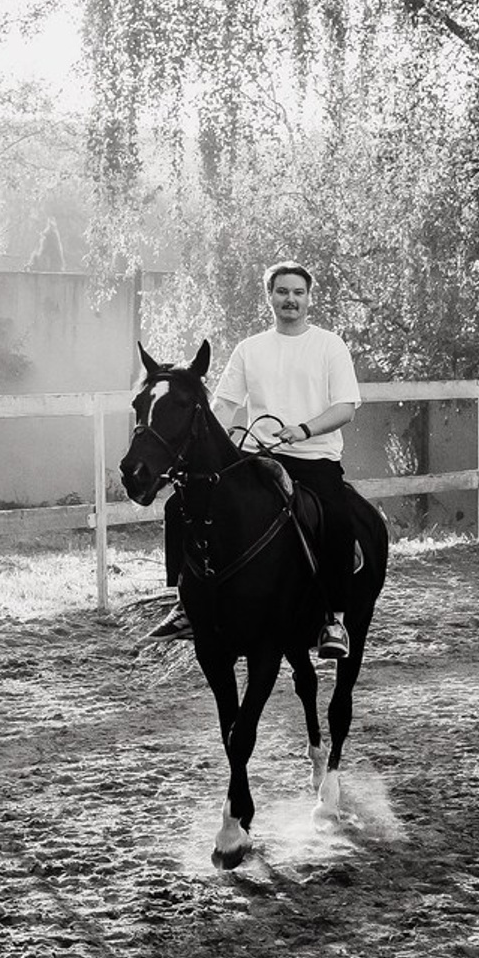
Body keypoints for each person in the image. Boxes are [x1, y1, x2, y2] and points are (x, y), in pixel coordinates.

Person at [148, 260, 361, 660]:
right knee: (181, 504)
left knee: (336, 518)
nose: (290, 300)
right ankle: (184, 605)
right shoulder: (250, 349)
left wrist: (304, 429)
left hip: (313, 456)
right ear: (270, 297)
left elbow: (345, 408)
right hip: (257, 456)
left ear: (309, 298)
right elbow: (224, 405)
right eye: (282, 292)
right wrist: (216, 438)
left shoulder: (329, 345)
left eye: (298, 292)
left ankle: (334, 620)